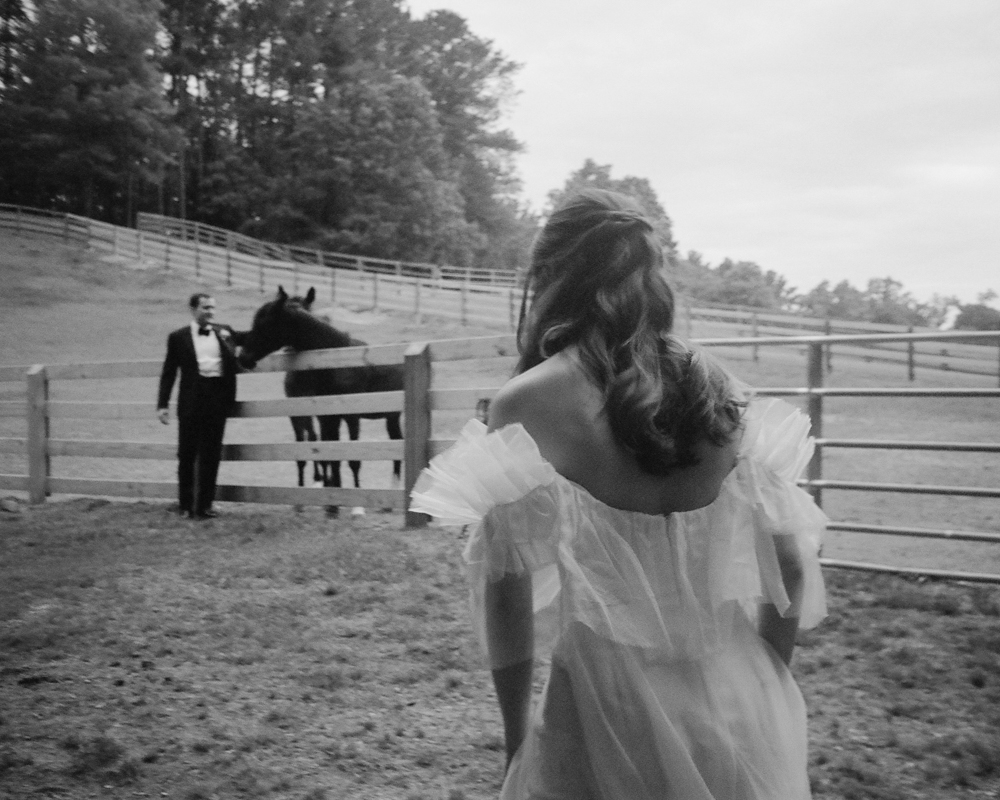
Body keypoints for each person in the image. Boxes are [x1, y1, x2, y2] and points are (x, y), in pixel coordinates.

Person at [410, 189, 827, 799]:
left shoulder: (528, 402)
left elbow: (505, 594)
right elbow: (790, 569)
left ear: (553, 276)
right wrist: (765, 683)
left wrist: (516, 739)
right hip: (734, 700)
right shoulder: (722, 389)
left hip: (602, 710)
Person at [157, 293, 243, 519]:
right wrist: (162, 404)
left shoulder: (225, 332)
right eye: (205, 308)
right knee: (186, 454)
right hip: (191, 400)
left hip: (218, 399)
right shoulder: (178, 337)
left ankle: (205, 506)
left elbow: (251, 341)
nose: (210, 312)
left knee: (211, 454)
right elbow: (169, 372)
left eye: (212, 308)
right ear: (193, 309)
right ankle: (185, 505)